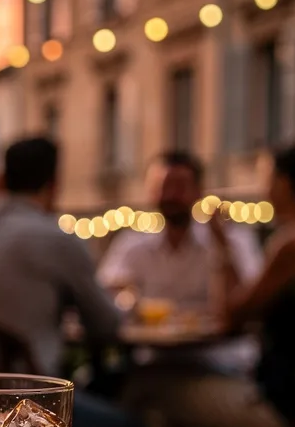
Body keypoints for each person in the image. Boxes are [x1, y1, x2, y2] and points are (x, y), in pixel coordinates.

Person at [125, 142, 295, 427]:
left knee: (145, 386)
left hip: (284, 410)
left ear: (284, 184)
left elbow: (230, 316)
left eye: (266, 178)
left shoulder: (294, 245)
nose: (263, 189)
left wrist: (221, 248)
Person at [0, 136, 145, 427]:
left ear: (2, 180)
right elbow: (106, 326)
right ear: (54, 184)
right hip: (29, 408)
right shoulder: (57, 239)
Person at [98, 151, 263, 374]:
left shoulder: (232, 239)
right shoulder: (134, 245)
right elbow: (105, 293)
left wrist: (222, 248)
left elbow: (246, 305)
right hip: (155, 360)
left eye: (179, 187)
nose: (171, 195)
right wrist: (127, 299)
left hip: (219, 360)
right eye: (163, 187)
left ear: (198, 191)